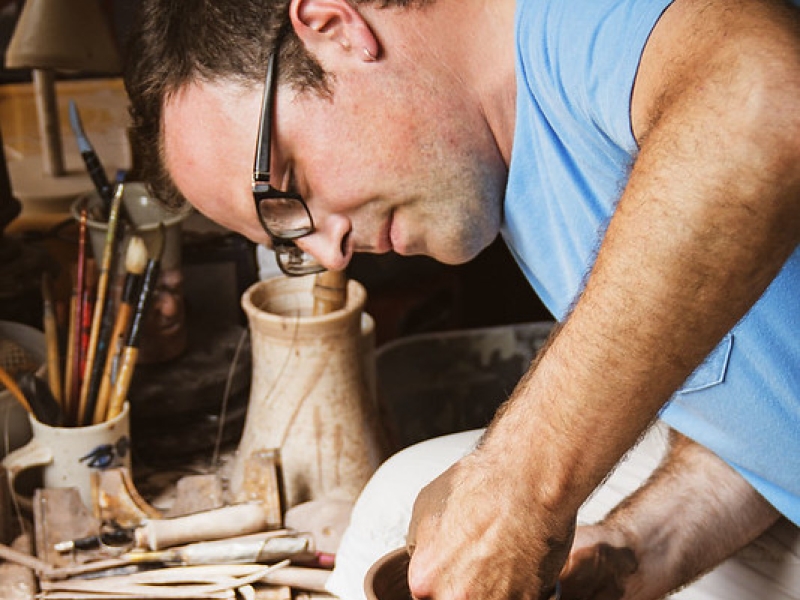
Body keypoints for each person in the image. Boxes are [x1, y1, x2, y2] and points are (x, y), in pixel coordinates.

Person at [124, 0, 800, 598]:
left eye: (289, 188)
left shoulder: (575, 21)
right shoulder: (501, 172)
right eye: (290, 243)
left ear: (334, 27)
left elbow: (768, 102)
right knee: (403, 503)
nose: (330, 252)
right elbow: (759, 395)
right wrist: (637, 550)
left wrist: (519, 485)